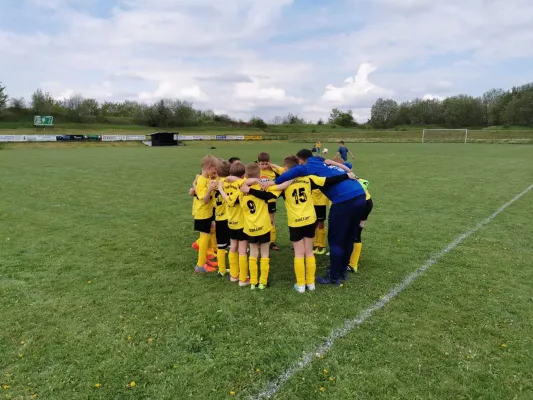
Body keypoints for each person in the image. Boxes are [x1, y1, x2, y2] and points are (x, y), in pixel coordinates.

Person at [262, 149, 366, 286]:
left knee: (336, 240)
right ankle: (342, 271)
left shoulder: (307, 167)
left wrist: (273, 182)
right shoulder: (317, 159)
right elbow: (329, 162)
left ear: (300, 160)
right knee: (349, 237)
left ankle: (334, 276)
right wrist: (347, 171)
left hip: (344, 199)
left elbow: (293, 172)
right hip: (360, 194)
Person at [238, 162, 282, 290]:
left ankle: (253, 281)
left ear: (245, 175)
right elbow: (271, 196)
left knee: (253, 254)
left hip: (250, 227)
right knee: (264, 254)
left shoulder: (241, 189)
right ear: (259, 175)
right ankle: (263, 281)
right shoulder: (262, 188)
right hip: (263, 226)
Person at [218, 161, 250, 285]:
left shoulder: (224, 183)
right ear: (243, 175)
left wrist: (227, 178)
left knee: (233, 247)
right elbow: (248, 180)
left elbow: (222, 181)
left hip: (230, 221)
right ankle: (243, 278)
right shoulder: (242, 183)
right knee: (242, 250)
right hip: (241, 222)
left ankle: (234, 275)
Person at [192, 155, 219, 273]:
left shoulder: (205, 178)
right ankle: (200, 265)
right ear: (209, 167)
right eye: (214, 169)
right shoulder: (202, 180)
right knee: (205, 237)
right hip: (202, 213)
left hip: (208, 212)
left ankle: (205, 259)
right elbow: (205, 199)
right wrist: (209, 189)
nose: (215, 171)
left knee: (211, 231)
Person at [257, 152, 285, 251]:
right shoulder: (256, 172)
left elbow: (285, 172)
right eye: (262, 164)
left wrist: (274, 166)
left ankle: (272, 242)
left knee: (271, 220)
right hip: (259, 200)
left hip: (271, 199)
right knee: (260, 220)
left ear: (269, 162)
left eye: (266, 163)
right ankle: (261, 240)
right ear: (258, 164)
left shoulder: (273, 171)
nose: (264, 166)